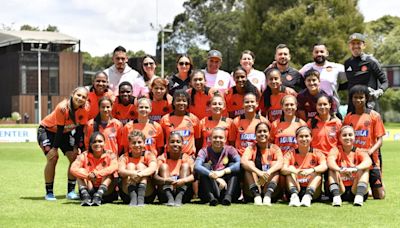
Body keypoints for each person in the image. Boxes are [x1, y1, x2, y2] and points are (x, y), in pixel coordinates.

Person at [37, 87, 89, 201]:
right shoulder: (62, 107)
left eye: (83, 97)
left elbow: (79, 130)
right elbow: (59, 129)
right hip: (48, 131)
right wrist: (54, 148)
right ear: (73, 94)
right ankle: (49, 192)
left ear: (86, 100)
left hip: (65, 133)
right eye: (78, 95)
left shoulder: (85, 109)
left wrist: (76, 147)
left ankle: (70, 191)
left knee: (74, 157)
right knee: (53, 158)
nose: (80, 98)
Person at [343, 85, 385, 199]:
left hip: (372, 158)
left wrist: (370, 151)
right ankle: (364, 189)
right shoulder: (348, 117)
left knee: (380, 196)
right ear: (351, 99)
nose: (358, 100)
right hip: (355, 160)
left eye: (361, 97)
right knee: (353, 191)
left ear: (366, 98)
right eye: (355, 97)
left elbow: (380, 140)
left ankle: (375, 185)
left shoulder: (374, 115)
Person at [281, 126, 327, 207]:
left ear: (311, 138)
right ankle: (294, 196)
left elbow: (324, 166)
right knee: (289, 170)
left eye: (306, 136)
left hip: (312, 189)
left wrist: (311, 170)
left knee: (317, 173)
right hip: (296, 186)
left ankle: (307, 197)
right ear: (296, 139)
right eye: (301, 136)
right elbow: (283, 169)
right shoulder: (290, 153)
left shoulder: (317, 153)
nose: (304, 139)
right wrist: (295, 171)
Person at [327, 125, 372, 207]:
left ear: (354, 137)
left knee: (364, 169)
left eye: (350, 135)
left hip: (355, 189)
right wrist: (340, 169)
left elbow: (368, 161)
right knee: (332, 170)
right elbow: (330, 161)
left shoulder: (359, 151)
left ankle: (359, 196)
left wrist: (355, 168)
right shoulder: (335, 150)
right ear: (339, 138)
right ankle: (336, 197)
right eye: (344, 135)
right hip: (340, 189)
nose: (347, 137)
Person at [195, 127, 241, 206]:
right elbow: (197, 166)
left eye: (221, 137)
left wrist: (223, 171)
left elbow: (239, 163)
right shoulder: (204, 151)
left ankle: (228, 197)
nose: (218, 140)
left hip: (226, 187)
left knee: (232, 165)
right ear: (210, 139)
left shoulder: (230, 149)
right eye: (215, 137)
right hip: (210, 187)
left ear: (225, 139)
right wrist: (215, 177)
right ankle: (211, 198)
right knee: (205, 165)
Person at [70, 132, 118, 206]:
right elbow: (73, 169)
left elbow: (114, 166)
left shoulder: (111, 154)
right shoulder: (84, 155)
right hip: (90, 187)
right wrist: (88, 176)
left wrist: (97, 174)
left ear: (104, 143)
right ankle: (86, 197)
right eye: (94, 142)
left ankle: (98, 196)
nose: (97, 144)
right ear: (90, 144)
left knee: (108, 173)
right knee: (81, 171)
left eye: (100, 141)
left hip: (106, 191)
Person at [241, 122, 283, 206]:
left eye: (265, 131)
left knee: (275, 164)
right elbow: (243, 161)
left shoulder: (275, 148)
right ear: (255, 134)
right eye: (259, 131)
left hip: (270, 186)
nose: (262, 134)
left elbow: (280, 163)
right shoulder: (251, 148)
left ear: (269, 133)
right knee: (249, 164)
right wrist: (258, 172)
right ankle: (256, 196)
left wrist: (269, 172)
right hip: (255, 185)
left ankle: (267, 196)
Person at [344, 33, 388, 112]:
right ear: (349, 46)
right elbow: (349, 83)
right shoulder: (347, 63)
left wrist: (379, 91)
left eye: (358, 43)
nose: (355, 46)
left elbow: (385, 81)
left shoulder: (371, 61)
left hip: (369, 105)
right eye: (353, 43)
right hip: (352, 105)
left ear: (364, 45)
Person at [299, 43, 347, 108]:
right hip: (311, 107)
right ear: (312, 54)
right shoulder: (306, 68)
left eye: (322, 52)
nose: (319, 54)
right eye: (316, 52)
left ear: (327, 53)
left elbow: (352, 77)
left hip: (332, 107)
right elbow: (295, 79)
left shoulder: (337, 67)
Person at [154, 133, 195, 206]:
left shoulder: (187, 158)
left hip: (184, 194)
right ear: (167, 145)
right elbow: (154, 176)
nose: (175, 144)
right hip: (165, 194)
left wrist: (183, 180)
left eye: (178, 142)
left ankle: (179, 197)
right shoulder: (162, 158)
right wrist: (165, 180)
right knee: (164, 166)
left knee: (185, 166)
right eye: (172, 142)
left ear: (182, 145)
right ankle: (170, 198)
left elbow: (194, 176)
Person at [118, 130, 157, 206]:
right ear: (129, 144)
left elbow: (153, 168)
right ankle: (133, 198)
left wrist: (140, 174)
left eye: (139, 142)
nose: (137, 145)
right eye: (134, 143)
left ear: (144, 143)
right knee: (130, 166)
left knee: (141, 166)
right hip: (127, 195)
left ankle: (140, 199)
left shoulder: (149, 154)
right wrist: (134, 173)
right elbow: (121, 171)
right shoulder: (124, 156)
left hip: (147, 195)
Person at [160, 90, 201, 156]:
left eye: (184, 101)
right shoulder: (165, 119)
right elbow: (161, 141)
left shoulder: (194, 119)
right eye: (178, 100)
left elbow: (198, 140)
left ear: (188, 103)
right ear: (173, 103)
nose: (181, 103)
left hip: (188, 157)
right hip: (170, 157)